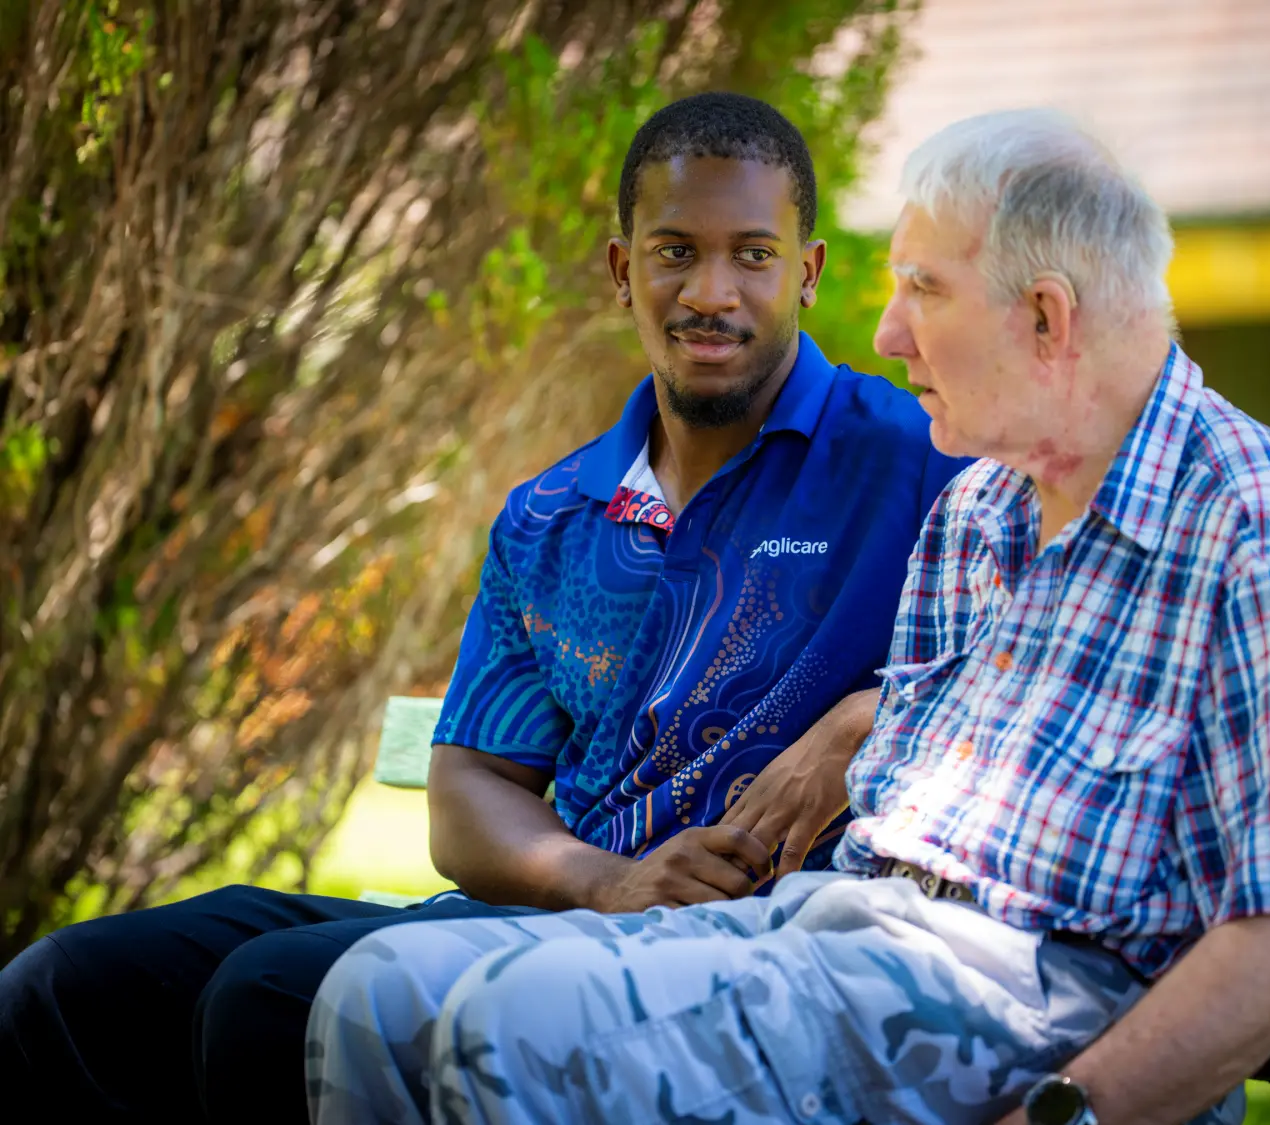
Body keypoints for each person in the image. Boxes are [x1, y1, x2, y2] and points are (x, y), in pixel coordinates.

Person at [306, 108, 1270, 1125]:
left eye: (923, 290)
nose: (885, 335)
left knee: (504, 1027)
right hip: (841, 930)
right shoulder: (980, 512)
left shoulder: (1261, 519)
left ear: (1044, 316)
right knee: (375, 997)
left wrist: (1066, 1118)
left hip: (1030, 997)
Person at [0, 93, 967, 1125]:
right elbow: (469, 789)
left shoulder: (916, 461)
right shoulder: (553, 512)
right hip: (565, 915)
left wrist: (863, 717)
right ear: (622, 270)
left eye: (754, 256)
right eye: (675, 252)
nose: (710, 292)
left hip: (741, 948)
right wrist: (605, 882)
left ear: (807, 273)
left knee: (272, 999)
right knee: (66, 986)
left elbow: (1043, 652)